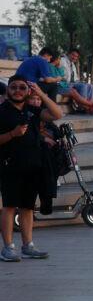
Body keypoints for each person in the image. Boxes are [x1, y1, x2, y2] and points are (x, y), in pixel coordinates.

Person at [0, 76, 64, 261]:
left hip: (33, 165)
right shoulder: (2, 111)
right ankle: (8, 248)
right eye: (13, 87)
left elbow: (57, 114)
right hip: (10, 165)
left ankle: (28, 245)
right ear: (7, 90)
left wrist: (41, 94)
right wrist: (13, 134)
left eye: (22, 87)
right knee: (10, 206)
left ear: (28, 91)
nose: (18, 91)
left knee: (27, 207)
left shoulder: (32, 111)